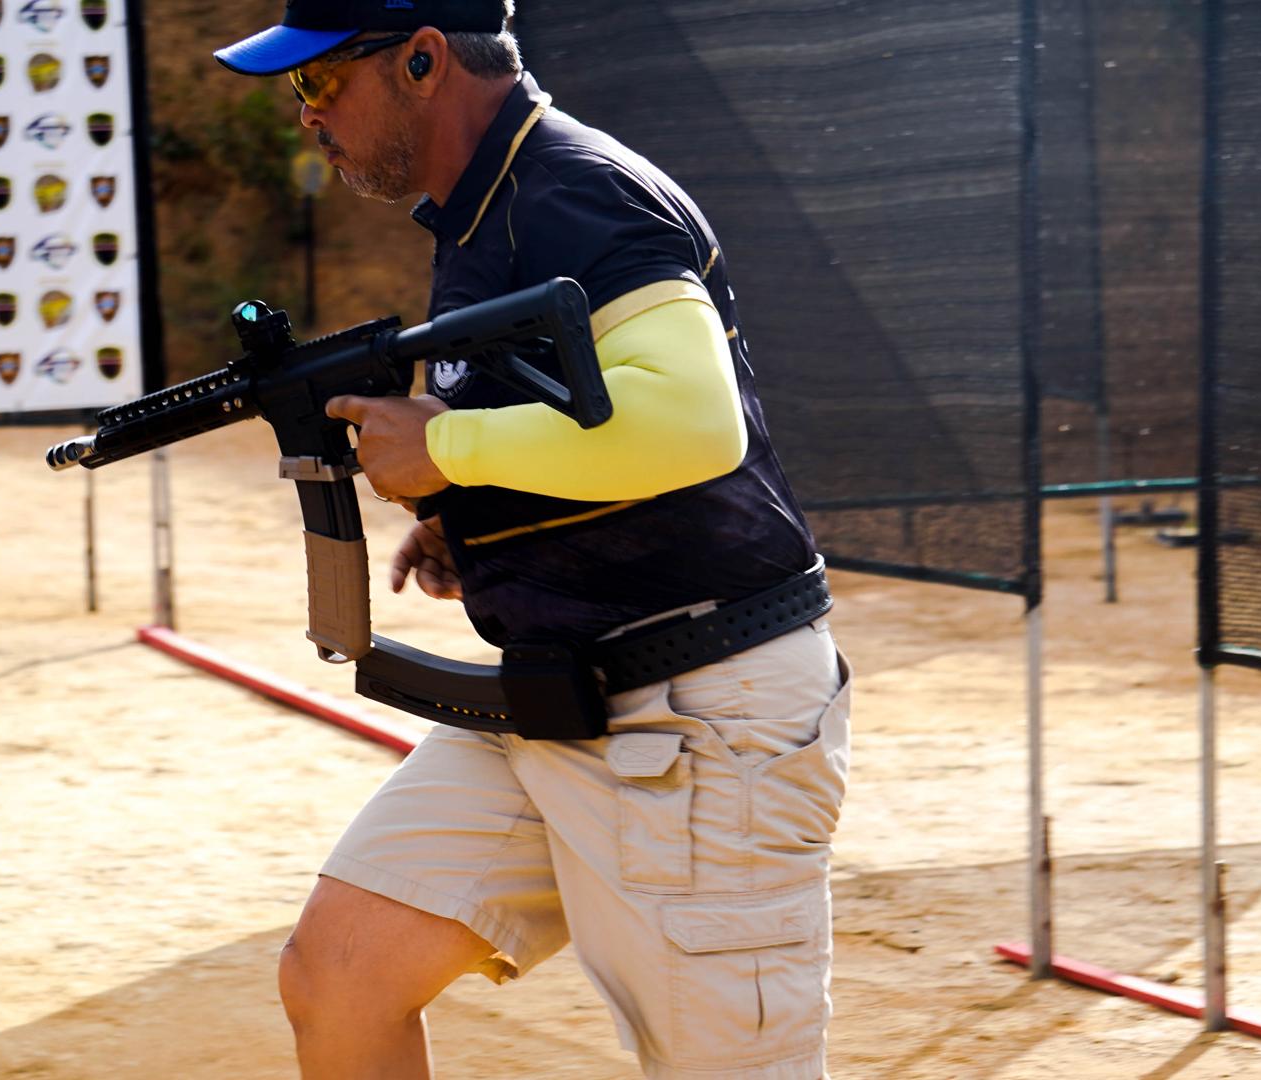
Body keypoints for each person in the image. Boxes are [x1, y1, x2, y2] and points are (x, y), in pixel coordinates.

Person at [216, 3, 851, 1077]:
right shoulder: (486, 214)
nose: (307, 116)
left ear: (423, 60)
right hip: (560, 695)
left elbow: (696, 424)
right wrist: (485, 524)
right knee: (340, 975)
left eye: (320, 82)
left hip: (700, 717)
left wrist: (449, 446)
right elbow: (585, 421)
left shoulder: (574, 194)